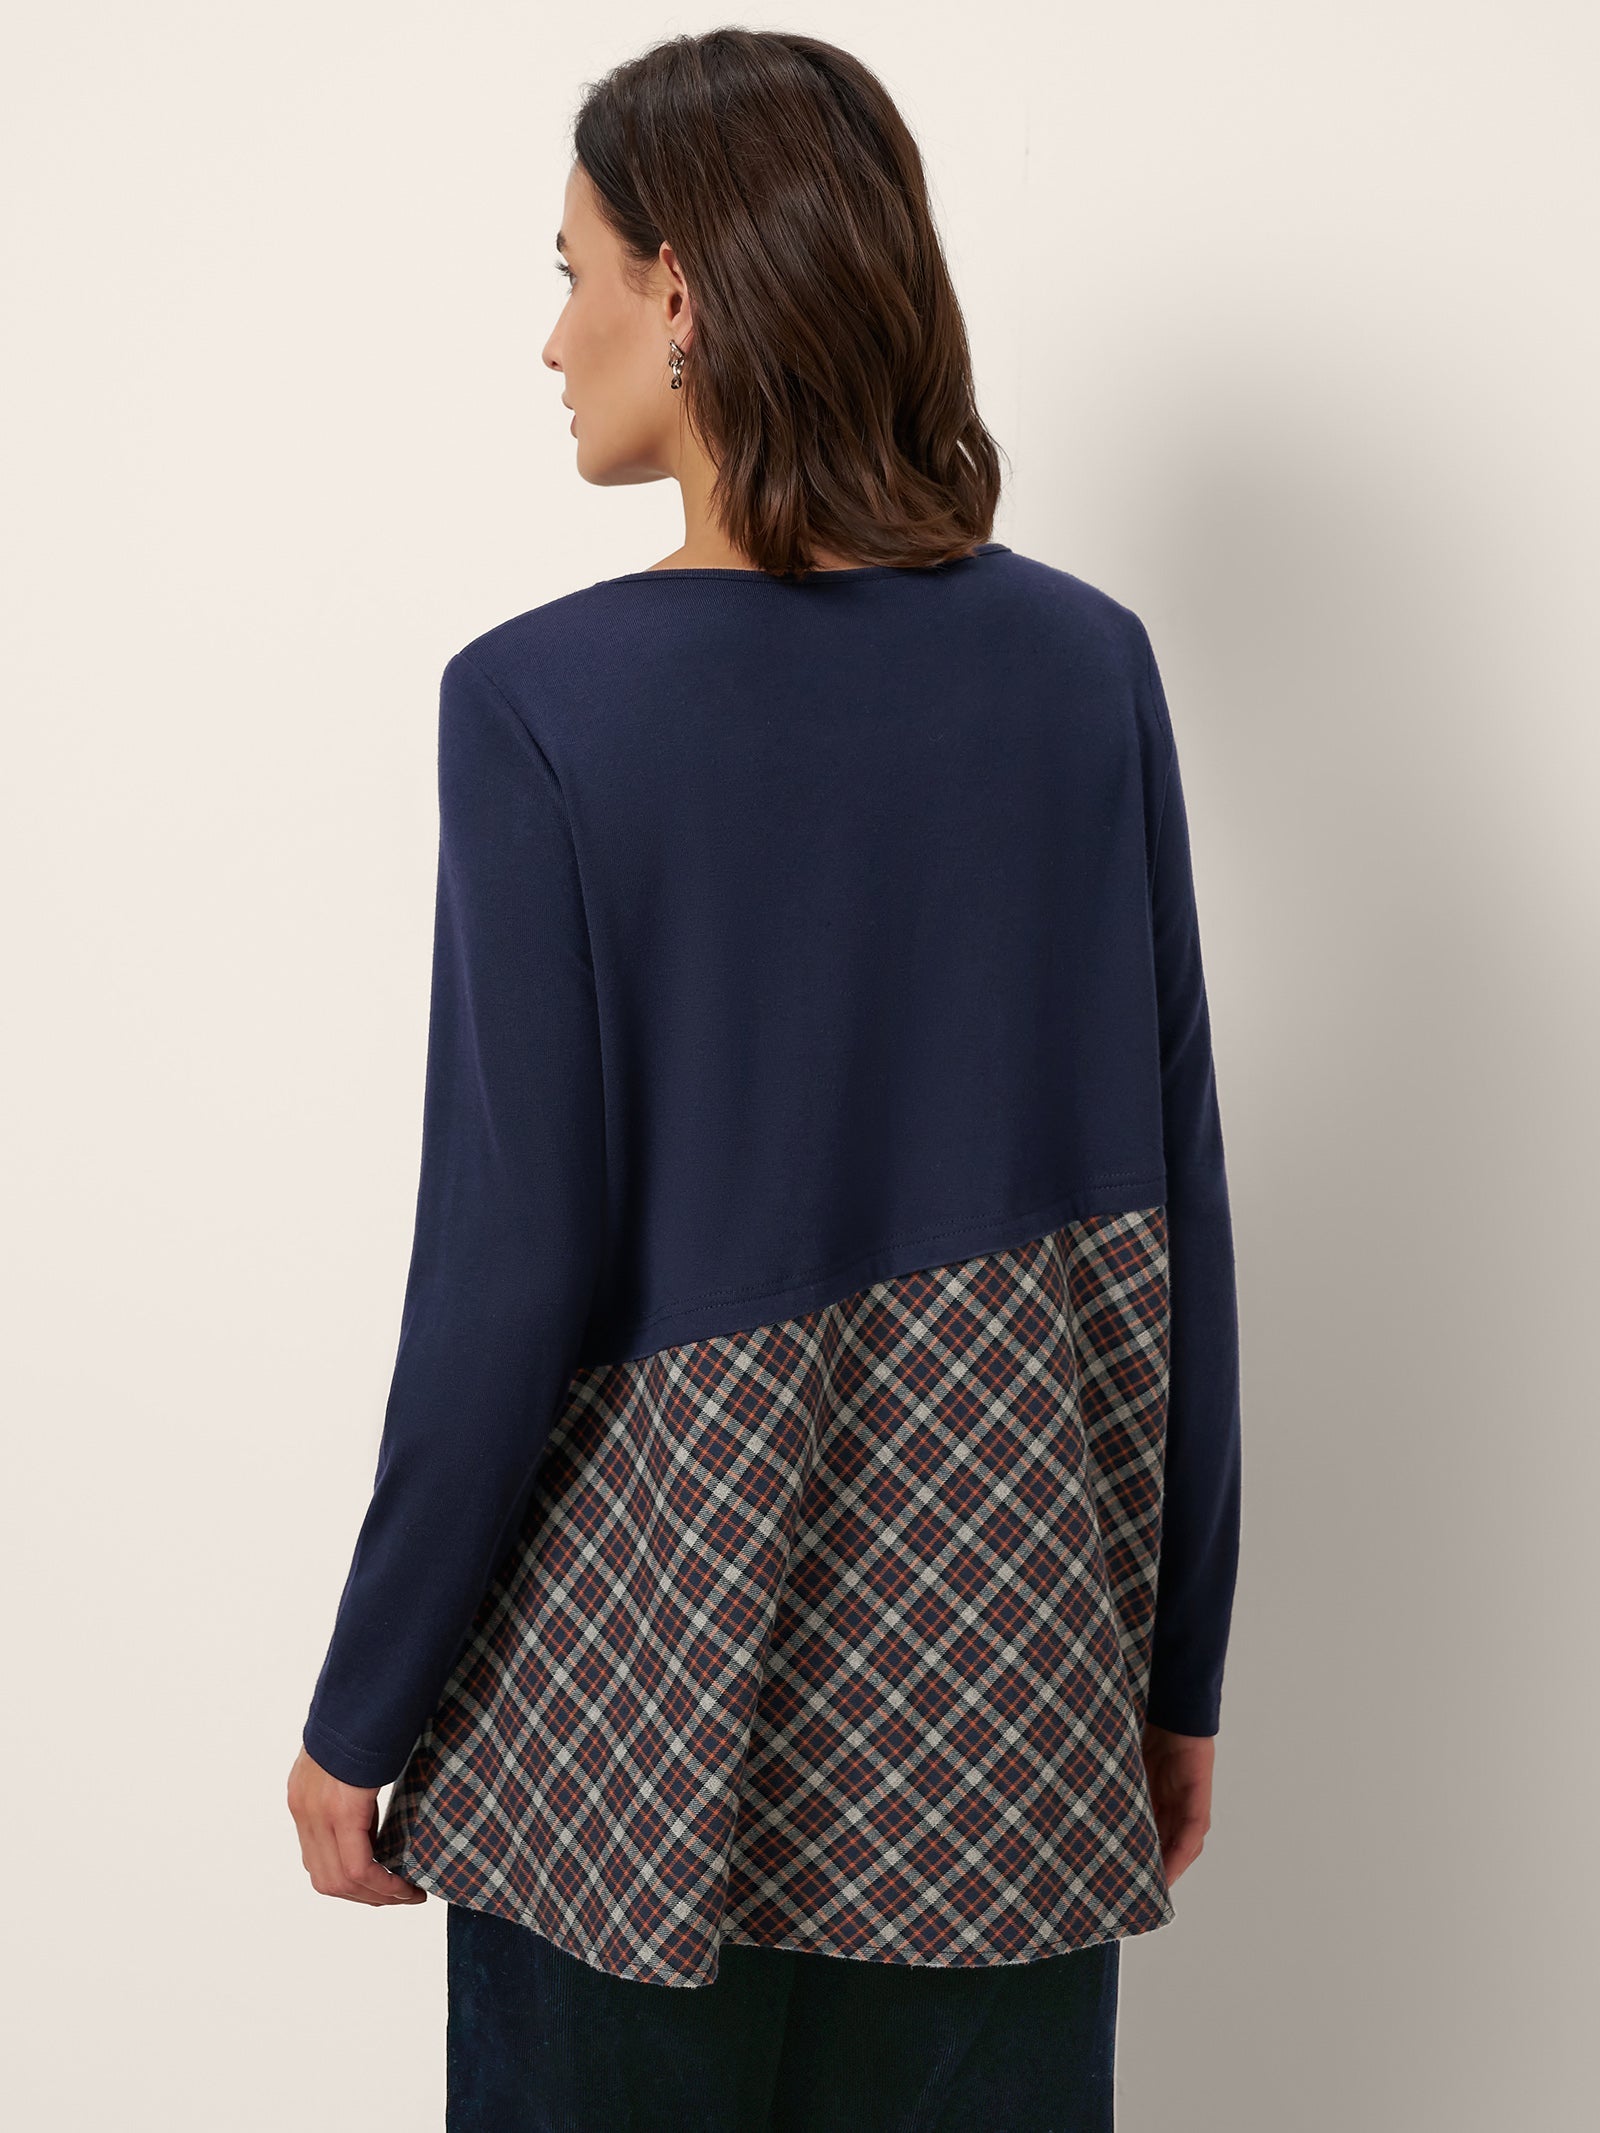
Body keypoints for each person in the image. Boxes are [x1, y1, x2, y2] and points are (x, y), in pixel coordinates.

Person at [286, 26, 1242, 2132]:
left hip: (620, 1744)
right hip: (1005, 1729)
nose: (552, 339)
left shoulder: (540, 704)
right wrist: (1174, 1664)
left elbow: (507, 1271)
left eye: (572, 275)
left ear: (684, 293)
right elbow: (1176, 1213)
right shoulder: (1085, 670)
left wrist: (365, 1702)